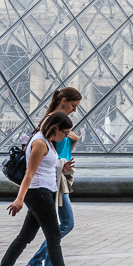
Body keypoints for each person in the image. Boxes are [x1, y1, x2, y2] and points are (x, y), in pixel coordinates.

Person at [1, 112, 75, 266]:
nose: (66, 136)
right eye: (65, 132)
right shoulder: (40, 143)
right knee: (54, 237)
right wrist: (19, 199)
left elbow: (45, 167)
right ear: (55, 128)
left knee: (25, 237)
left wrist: (62, 168)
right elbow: (29, 173)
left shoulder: (47, 140)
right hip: (39, 194)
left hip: (42, 192)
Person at [28, 88, 82, 266]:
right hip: (53, 179)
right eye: (73, 105)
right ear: (64, 100)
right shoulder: (51, 121)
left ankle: (45, 262)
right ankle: (37, 261)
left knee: (38, 232)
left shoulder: (60, 122)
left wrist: (72, 141)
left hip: (58, 176)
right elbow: (48, 153)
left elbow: (59, 150)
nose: (75, 110)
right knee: (66, 223)